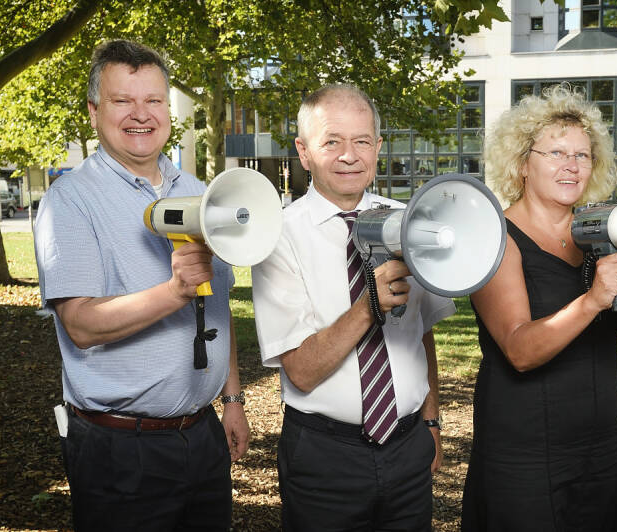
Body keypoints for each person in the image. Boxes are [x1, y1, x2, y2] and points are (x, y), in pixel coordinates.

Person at [33, 40, 249, 531]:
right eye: (122, 100)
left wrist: (231, 400)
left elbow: (218, 310)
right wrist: (173, 291)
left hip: (202, 435)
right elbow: (82, 324)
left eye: (153, 100)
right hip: (120, 451)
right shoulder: (70, 201)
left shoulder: (200, 193)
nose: (140, 115)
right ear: (93, 111)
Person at [251, 84, 455, 531]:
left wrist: (431, 417)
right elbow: (301, 371)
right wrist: (369, 305)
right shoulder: (277, 237)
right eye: (332, 141)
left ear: (378, 148)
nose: (349, 155)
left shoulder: (409, 222)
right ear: (304, 152)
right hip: (325, 457)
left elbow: (422, 332)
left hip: (407, 448)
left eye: (362, 140)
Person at [460, 84, 617, 531]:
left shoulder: (598, 235)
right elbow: (519, 350)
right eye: (555, 153)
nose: (572, 165)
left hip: (603, 447)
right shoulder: (495, 239)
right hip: (524, 456)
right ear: (521, 163)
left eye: (583, 155)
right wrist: (592, 301)